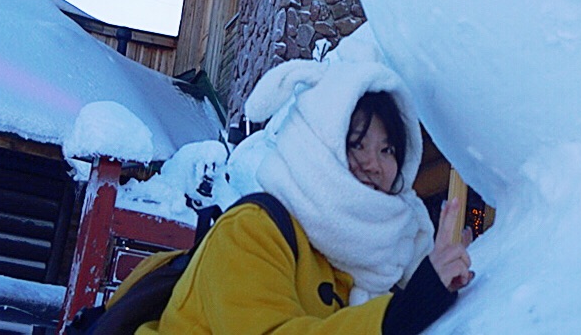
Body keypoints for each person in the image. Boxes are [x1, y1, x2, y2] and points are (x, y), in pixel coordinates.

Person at [140, 59, 473, 334]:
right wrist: (410, 307)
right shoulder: (251, 232)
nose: (375, 165)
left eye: (388, 149)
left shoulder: (383, 257)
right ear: (318, 143)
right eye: (357, 143)